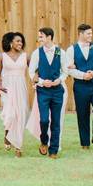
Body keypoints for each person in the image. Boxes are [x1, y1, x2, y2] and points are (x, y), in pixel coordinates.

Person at [68, 23, 93, 150]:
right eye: (88, 34)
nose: (91, 36)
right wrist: (82, 75)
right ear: (80, 34)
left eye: (91, 33)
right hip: (80, 86)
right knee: (82, 114)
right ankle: (84, 143)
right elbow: (68, 68)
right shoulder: (71, 49)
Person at [28, 27, 68, 159]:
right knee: (44, 120)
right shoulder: (36, 53)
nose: (39, 39)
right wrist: (40, 81)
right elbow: (31, 72)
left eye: (41, 37)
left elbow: (65, 71)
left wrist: (59, 80)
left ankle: (54, 150)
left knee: (56, 121)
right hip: (43, 91)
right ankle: (44, 140)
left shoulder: (61, 52)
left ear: (49, 37)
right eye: (39, 37)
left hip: (57, 91)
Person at [0, 32, 29, 157]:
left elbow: (34, 69)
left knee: (20, 115)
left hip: (21, 88)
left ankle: (18, 146)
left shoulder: (26, 56)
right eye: (17, 41)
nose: (20, 43)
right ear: (11, 42)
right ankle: (7, 134)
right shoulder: (2, 57)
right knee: (10, 115)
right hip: (7, 88)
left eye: (21, 41)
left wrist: (37, 75)